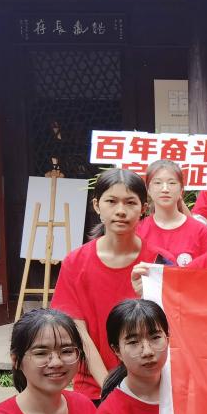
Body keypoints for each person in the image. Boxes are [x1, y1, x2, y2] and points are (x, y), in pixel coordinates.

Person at [52, 168, 171, 400]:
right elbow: (78, 332)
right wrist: (108, 385)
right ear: (97, 206)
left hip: (152, 387)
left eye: (130, 202)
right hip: (94, 389)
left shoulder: (159, 262)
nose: (121, 211)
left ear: (144, 208)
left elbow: (170, 327)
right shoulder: (75, 262)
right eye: (111, 201)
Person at [136, 159, 207, 268]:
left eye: (172, 183)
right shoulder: (138, 230)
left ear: (181, 189)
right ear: (148, 189)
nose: (165, 189)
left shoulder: (200, 231)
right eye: (157, 183)